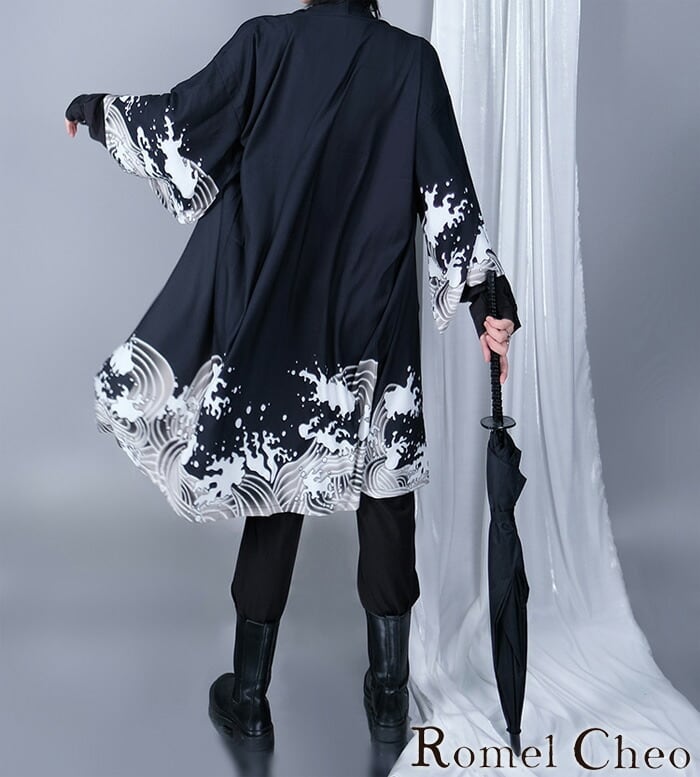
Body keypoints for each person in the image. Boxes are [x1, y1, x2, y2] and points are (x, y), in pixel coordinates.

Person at [65, 0, 521, 752]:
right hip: (373, 320)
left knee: (272, 491)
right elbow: (449, 203)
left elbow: (180, 125)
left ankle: (248, 697)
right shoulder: (411, 64)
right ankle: (388, 696)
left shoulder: (266, 44)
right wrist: (488, 305)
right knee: (387, 497)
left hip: (284, 313)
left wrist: (94, 110)